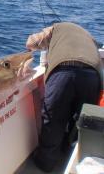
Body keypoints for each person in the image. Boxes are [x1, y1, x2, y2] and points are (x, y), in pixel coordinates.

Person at [26, 22, 103, 172]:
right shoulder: (89, 36)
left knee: (53, 119)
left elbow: (31, 43)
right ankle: (71, 156)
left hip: (63, 72)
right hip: (92, 75)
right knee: (81, 120)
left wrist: (44, 43)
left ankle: (45, 162)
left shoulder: (56, 28)